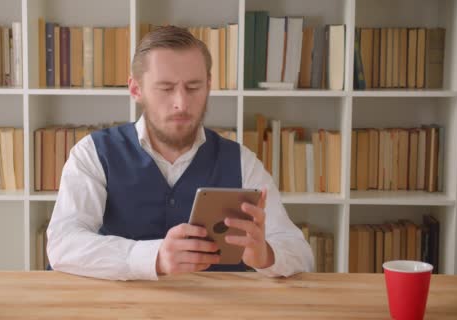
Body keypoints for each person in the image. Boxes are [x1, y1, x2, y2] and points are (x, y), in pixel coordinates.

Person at [47, 26, 313, 280]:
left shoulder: (243, 161)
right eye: (165, 88)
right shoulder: (92, 153)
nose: (181, 103)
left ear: (209, 86)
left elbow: (301, 254)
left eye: (194, 87)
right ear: (135, 89)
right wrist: (154, 257)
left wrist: (266, 254)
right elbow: (63, 244)